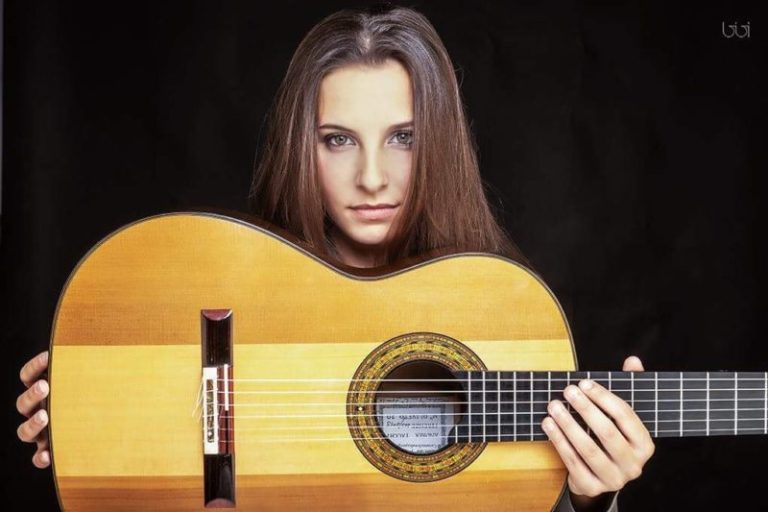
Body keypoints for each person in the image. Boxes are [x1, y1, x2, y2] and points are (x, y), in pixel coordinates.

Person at [15, 4, 654, 511]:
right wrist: (95, 411)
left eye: (403, 138)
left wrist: (589, 496)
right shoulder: (219, 270)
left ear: (441, 145)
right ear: (304, 147)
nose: (372, 177)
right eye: (339, 140)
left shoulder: (502, 313)